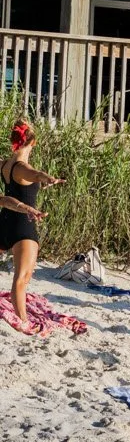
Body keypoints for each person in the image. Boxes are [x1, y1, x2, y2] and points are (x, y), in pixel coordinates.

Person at [2, 121, 66, 325]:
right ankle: (23, 321)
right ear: (33, 142)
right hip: (23, 224)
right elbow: (36, 174)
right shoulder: (23, 167)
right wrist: (48, 178)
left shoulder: (5, 165)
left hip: (4, 221)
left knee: (20, 278)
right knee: (22, 279)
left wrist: (43, 179)